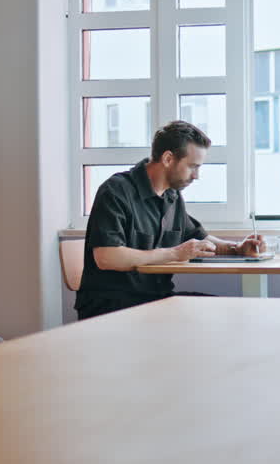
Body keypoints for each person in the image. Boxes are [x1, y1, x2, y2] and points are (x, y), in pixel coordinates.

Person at [75, 121, 262, 319]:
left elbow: (199, 240)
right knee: (216, 316)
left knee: (230, 311)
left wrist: (237, 248)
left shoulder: (172, 196)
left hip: (156, 299)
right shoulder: (116, 191)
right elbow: (107, 257)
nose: (196, 176)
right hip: (111, 305)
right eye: (192, 166)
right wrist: (174, 253)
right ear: (168, 159)